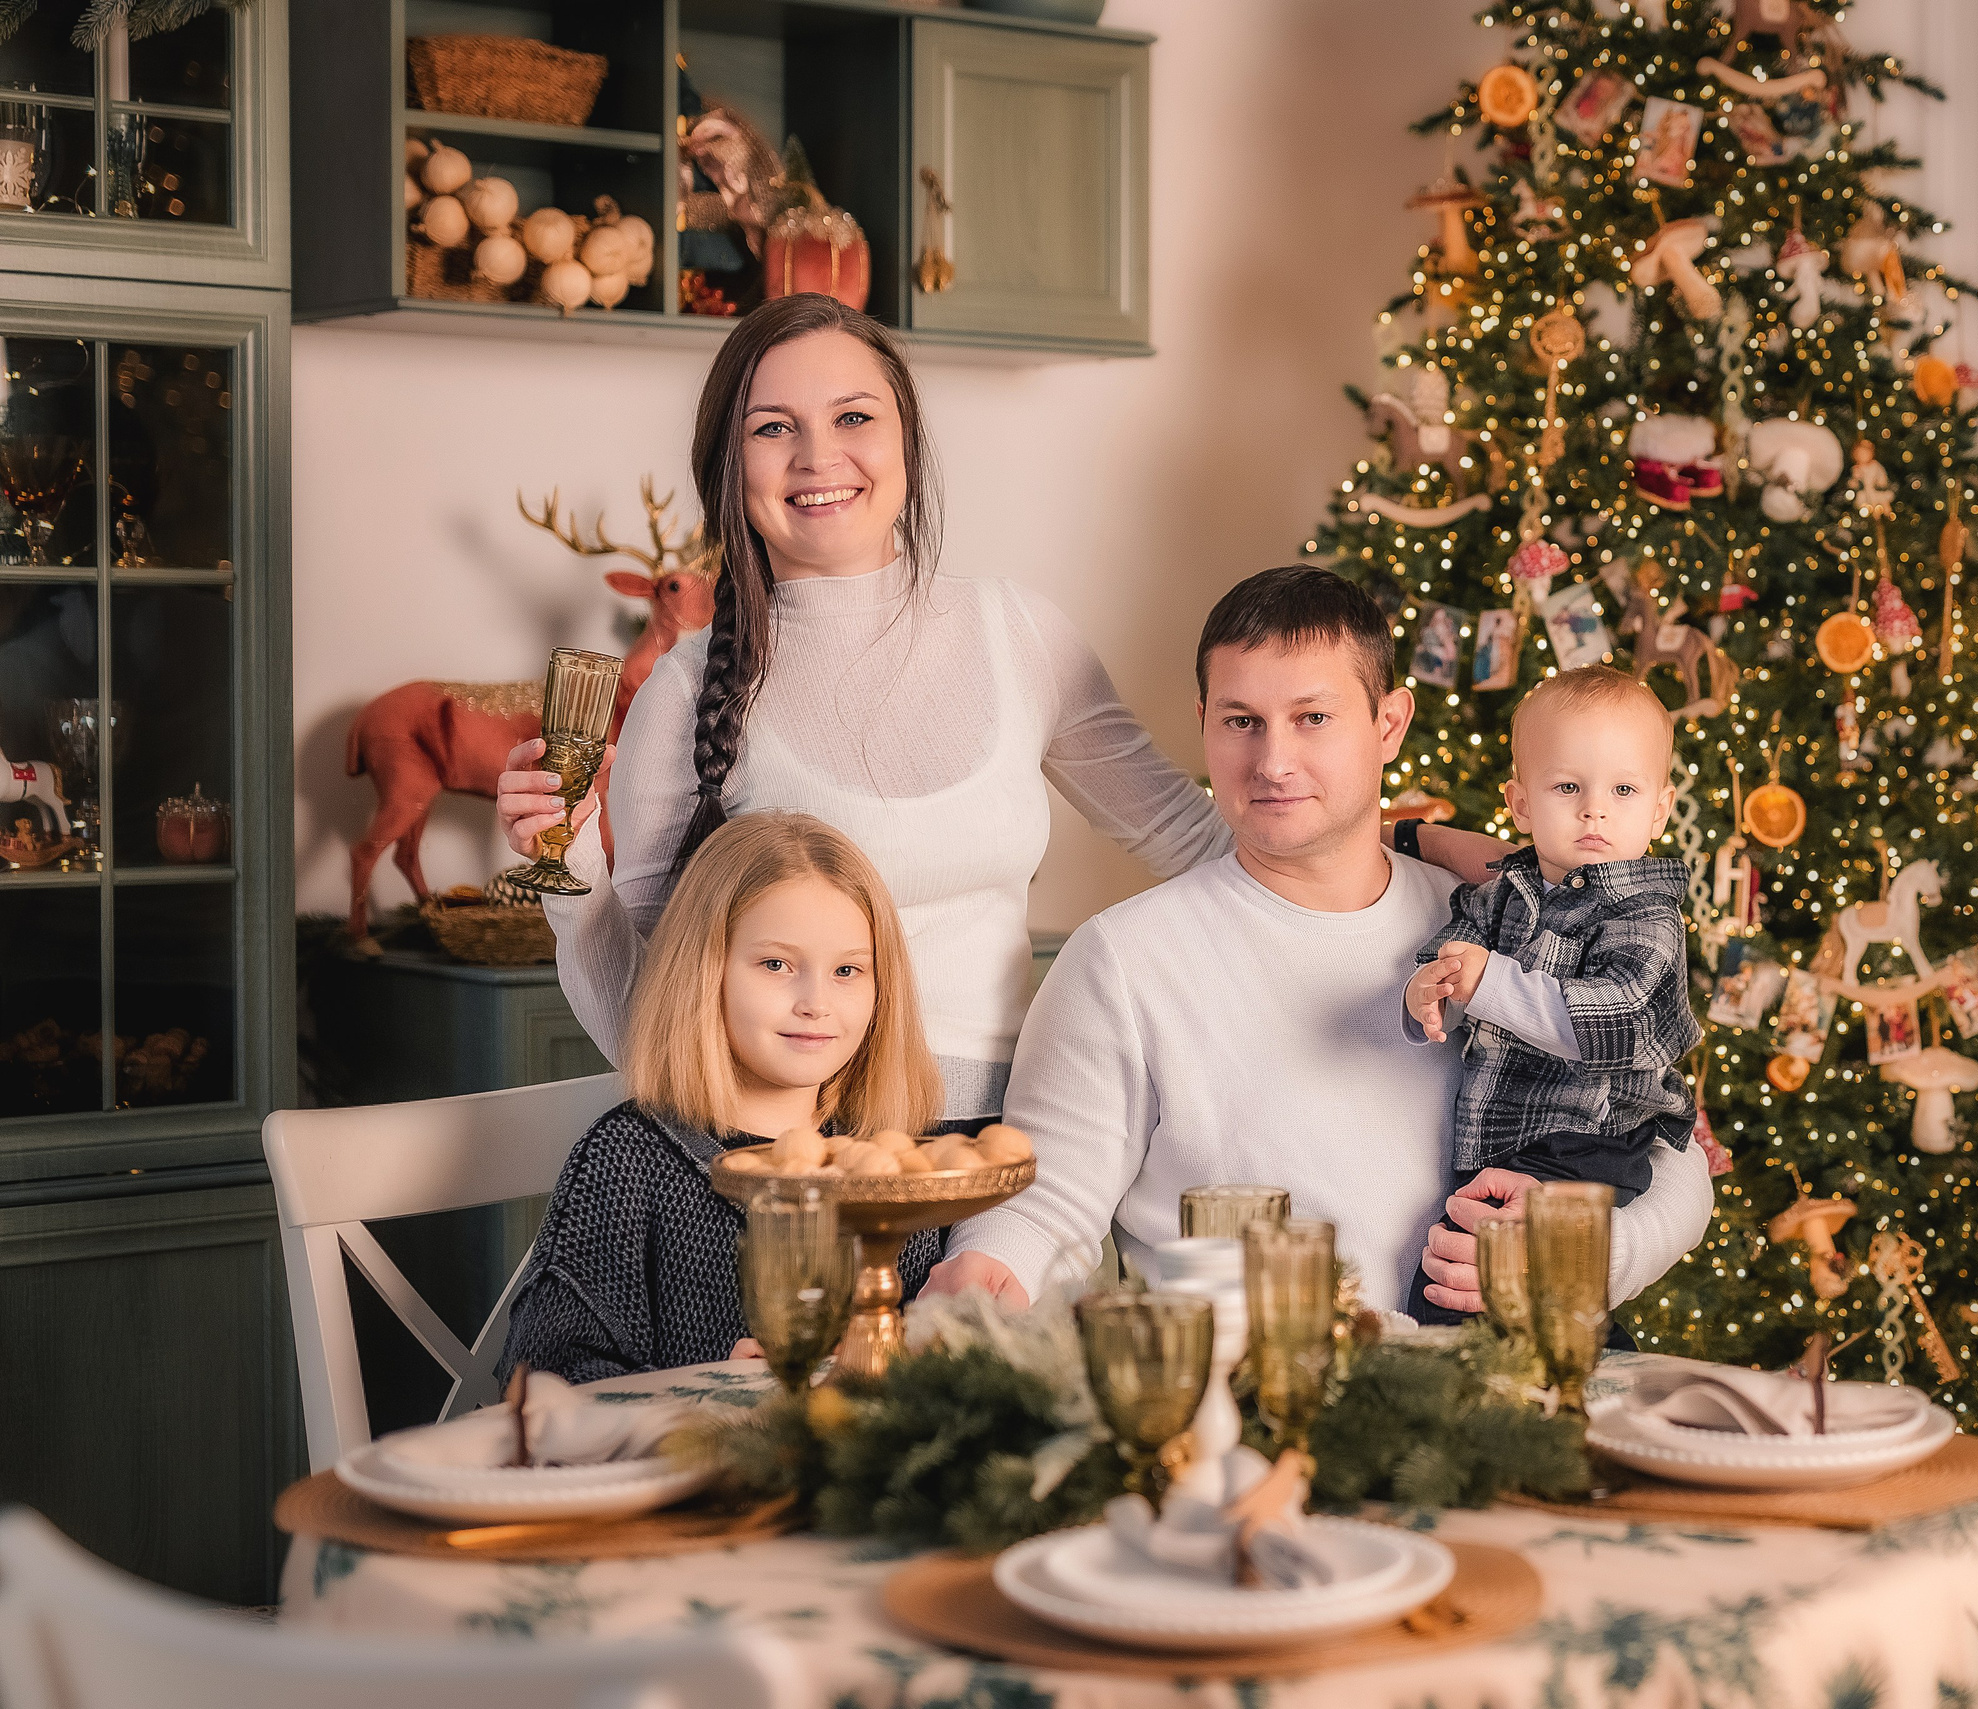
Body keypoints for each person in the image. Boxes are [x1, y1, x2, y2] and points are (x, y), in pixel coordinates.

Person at [495, 296, 1495, 1289]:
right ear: (730, 462)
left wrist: (1414, 851)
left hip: (1015, 1170)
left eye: (853, 416)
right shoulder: (685, 689)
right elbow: (658, 1020)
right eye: (772, 429)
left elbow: (1207, 835)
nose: (817, 456)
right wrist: (567, 876)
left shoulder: (1015, 633)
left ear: (905, 439)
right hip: (806, 1176)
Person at [927, 567, 1714, 1315]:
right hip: (1253, 1385)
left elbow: (1667, 1140)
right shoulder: (1123, 959)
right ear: (1204, 723)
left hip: (1494, 1378)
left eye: (1313, 718)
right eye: (1241, 721)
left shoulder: (1497, 924)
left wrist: (1591, 1254)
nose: (1273, 762)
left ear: (1389, 724)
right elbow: (1044, 1204)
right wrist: (986, 1274)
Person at [501, 812, 939, 1385]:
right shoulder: (623, 1161)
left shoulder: (890, 1169)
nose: (816, 1002)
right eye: (776, 964)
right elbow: (543, 1379)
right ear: (704, 973)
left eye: (847, 970)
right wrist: (704, 1390)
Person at [1399, 665, 1700, 1325]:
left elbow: (1613, 1022)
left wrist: (1488, 981)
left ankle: (1571, 1375)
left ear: (1659, 809)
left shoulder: (1646, 915)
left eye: (1623, 789)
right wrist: (1428, 991)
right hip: (1500, 1140)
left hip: (1591, 1140)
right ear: (1521, 804)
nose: (1594, 809)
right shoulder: (1504, 893)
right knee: (1473, 1288)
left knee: (1477, 1289)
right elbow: (1452, 957)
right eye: (1568, 786)